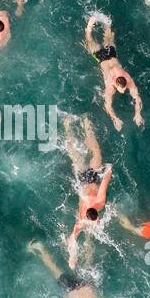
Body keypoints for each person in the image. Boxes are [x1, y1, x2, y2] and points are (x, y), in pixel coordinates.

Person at [61, 115, 113, 268]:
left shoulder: (95, 206)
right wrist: (72, 257)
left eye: (97, 220)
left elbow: (105, 182)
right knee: (91, 152)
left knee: (86, 153)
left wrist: (109, 170)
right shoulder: (98, 204)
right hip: (92, 179)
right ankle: (68, 124)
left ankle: (85, 123)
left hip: (84, 180)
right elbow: (72, 237)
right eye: (97, 220)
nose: (98, 222)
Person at [84, 16, 144, 131]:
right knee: (90, 41)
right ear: (116, 83)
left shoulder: (127, 80)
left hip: (110, 55)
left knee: (108, 38)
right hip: (102, 57)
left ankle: (101, 23)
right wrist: (115, 118)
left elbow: (137, 98)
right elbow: (107, 105)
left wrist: (137, 114)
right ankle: (91, 28)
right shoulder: (111, 85)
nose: (123, 90)